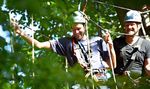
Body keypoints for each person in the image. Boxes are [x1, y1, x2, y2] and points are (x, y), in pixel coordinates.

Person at [10, 11, 116, 82]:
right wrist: (20, 32)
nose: (76, 32)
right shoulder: (66, 42)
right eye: (73, 29)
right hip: (81, 83)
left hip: (101, 80)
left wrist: (110, 46)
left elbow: (112, 65)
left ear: (85, 27)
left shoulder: (97, 41)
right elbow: (39, 45)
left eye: (79, 28)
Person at [114, 10, 150, 77]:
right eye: (127, 25)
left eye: (132, 24)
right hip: (120, 83)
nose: (129, 27)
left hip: (138, 83)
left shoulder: (146, 44)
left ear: (139, 26)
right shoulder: (117, 42)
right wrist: (110, 45)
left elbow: (148, 66)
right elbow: (111, 62)